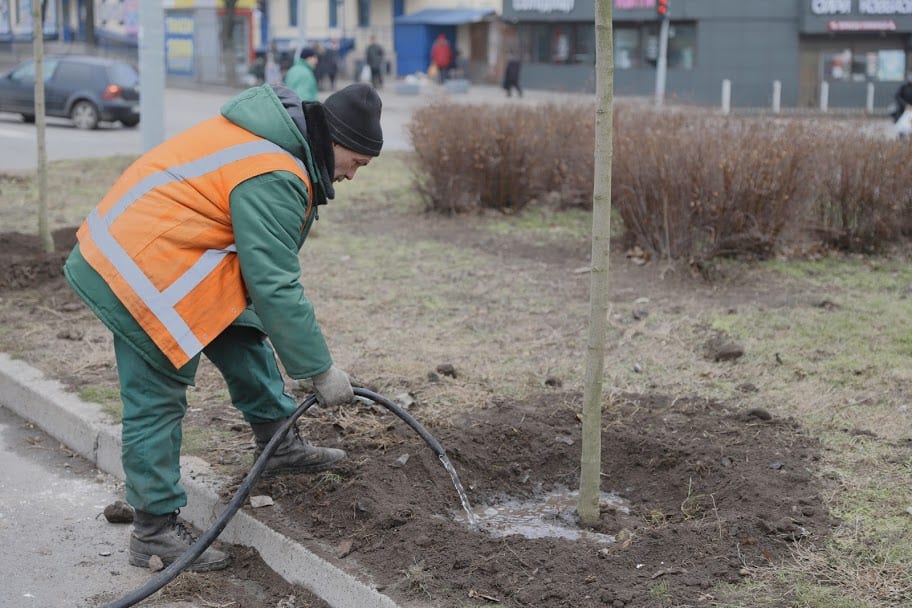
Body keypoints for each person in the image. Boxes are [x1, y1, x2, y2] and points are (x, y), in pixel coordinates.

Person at [62, 82, 383, 572]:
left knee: (241, 329)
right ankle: (154, 533)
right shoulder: (275, 171)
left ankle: (279, 442)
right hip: (141, 264)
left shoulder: (277, 146)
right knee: (157, 396)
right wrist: (319, 370)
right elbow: (274, 283)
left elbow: (258, 288)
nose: (352, 176)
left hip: (176, 250)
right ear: (333, 141)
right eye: (355, 163)